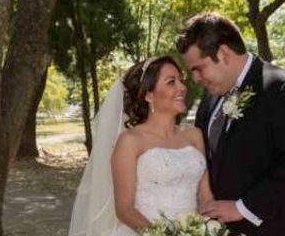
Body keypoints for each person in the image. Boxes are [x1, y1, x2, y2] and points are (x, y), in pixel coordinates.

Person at [176, 12, 285, 236]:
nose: (196, 79)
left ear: (224, 53)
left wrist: (242, 208)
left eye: (199, 68)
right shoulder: (209, 101)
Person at [68, 56, 213, 236]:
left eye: (181, 80)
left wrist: (206, 229)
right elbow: (124, 209)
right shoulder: (130, 141)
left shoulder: (194, 135)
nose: (182, 87)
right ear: (148, 95)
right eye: (171, 82)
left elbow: (205, 196)